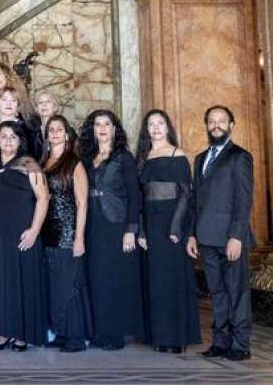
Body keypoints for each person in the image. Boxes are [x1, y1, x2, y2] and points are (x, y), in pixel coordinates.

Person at [188, 105, 254, 361]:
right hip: (205, 237)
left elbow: (244, 200)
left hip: (230, 238)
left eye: (222, 121)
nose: (216, 125)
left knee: (237, 292)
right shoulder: (200, 158)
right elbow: (195, 201)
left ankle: (240, 345)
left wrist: (236, 236)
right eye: (212, 121)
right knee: (217, 293)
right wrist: (193, 234)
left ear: (231, 125)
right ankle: (220, 342)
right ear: (206, 125)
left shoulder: (240, 157)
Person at [135, 109, 201, 354]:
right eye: (151, 124)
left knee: (172, 279)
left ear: (168, 127)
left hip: (172, 222)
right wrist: (141, 231)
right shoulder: (143, 157)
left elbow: (186, 194)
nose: (155, 128)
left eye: (160, 123)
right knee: (155, 280)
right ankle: (158, 336)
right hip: (150, 223)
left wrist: (176, 226)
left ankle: (175, 338)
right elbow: (140, 198)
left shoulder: (178, 154)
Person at [0, 121, 49, 352]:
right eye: (3, 136)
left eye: (13, 137)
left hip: (20, 231)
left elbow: (43, 198)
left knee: (19, 280)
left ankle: (21, 334)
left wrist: (34, 230)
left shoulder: (29, 163)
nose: (8, 140)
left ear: (20, 141)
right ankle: (2, 332)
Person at [79, 109, 143, 350]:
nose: (102, 128)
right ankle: (99, 330)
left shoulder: (124, 157)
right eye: (97, 124)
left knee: (115, 279)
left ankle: (114, 333)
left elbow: (135, 195)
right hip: (92, 223)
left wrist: (131, 229)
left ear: (115, 129)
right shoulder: (87, 157)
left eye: (107, 124)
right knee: (96, 277)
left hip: (116, 224)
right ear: (92, 129)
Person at [41, 115, 92, 353]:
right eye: (51, 129)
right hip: (47, 232)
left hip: (68, 231)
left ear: (67, 134)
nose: (55, 133)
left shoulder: (74, 163)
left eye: (59, 129)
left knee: (69, 284)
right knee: (54, 286)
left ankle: (76, 337)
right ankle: (61, 331)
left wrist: (79, 237)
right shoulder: (43, 162)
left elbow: (82, 203)